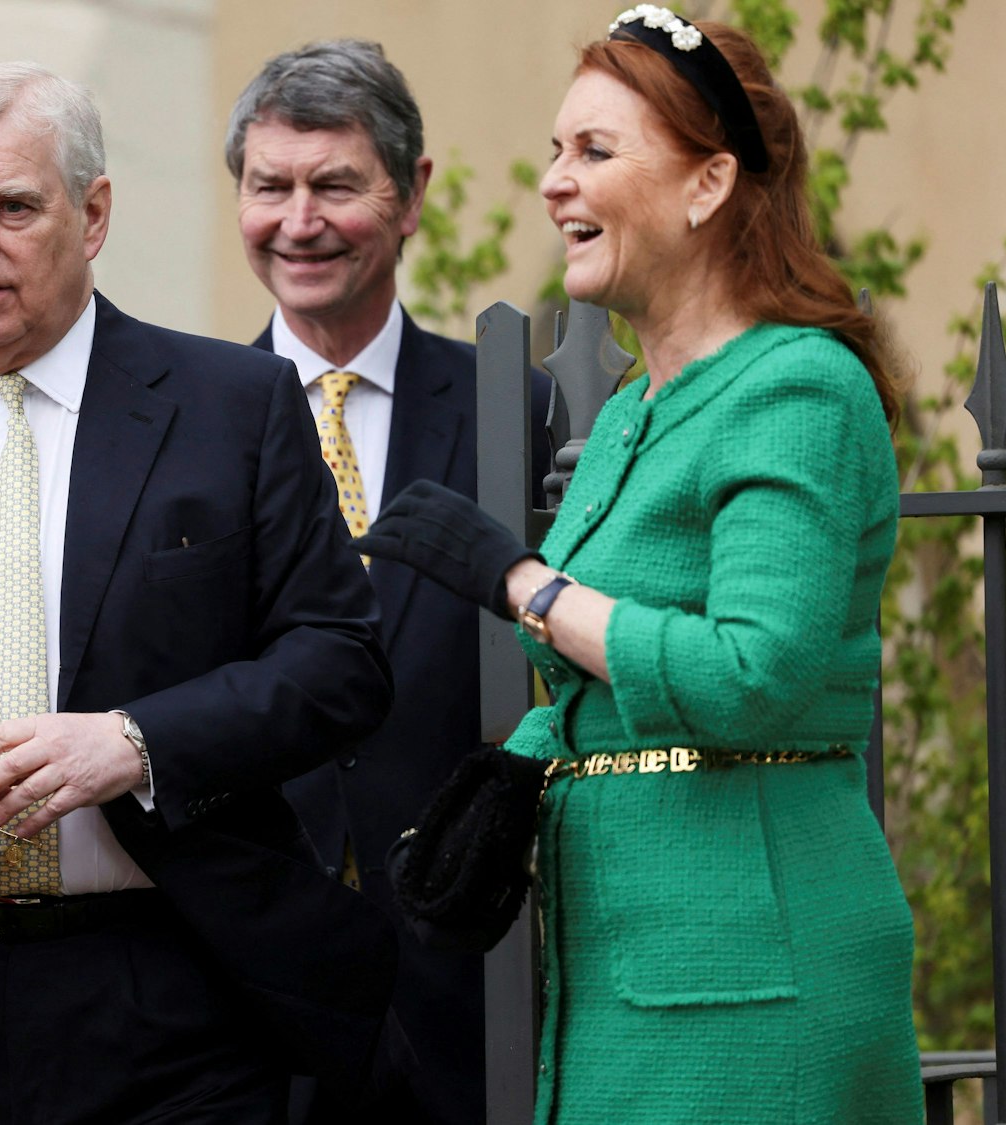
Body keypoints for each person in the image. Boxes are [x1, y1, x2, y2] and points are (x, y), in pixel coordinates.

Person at [0, 61, 396, 1124]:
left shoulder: (230, 406)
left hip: (167, 989)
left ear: (92, 212)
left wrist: (138, 741)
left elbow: (338, 660)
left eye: (11, 207)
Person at [363, 8, 920, 1122]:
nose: (553, 183)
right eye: (554, 152)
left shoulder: (793, 387)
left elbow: (750, 676)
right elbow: (603, 686)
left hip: (753, 984)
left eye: (593, 152)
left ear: (708, 186)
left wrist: (520, 585)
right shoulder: (627, 413)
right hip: (626, 968)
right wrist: (511, 775)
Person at [226, 39, 550, 1124]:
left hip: (477, 978)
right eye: (269, 185)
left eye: (333, 185)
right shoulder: (189, 423)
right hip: (262, 1000)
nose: (297, 220)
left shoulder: (519, 411)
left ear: (409, 194)